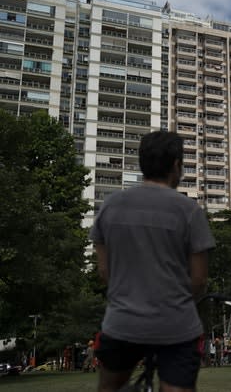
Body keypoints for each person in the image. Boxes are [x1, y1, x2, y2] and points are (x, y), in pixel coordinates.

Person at [90, 131, 214, 392]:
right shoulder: (189, 211)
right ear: (176, 166)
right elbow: (199, 280)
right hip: (177, 326)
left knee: (109, 386)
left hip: (122, 323)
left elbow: (104, 272)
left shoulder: (110, 206)